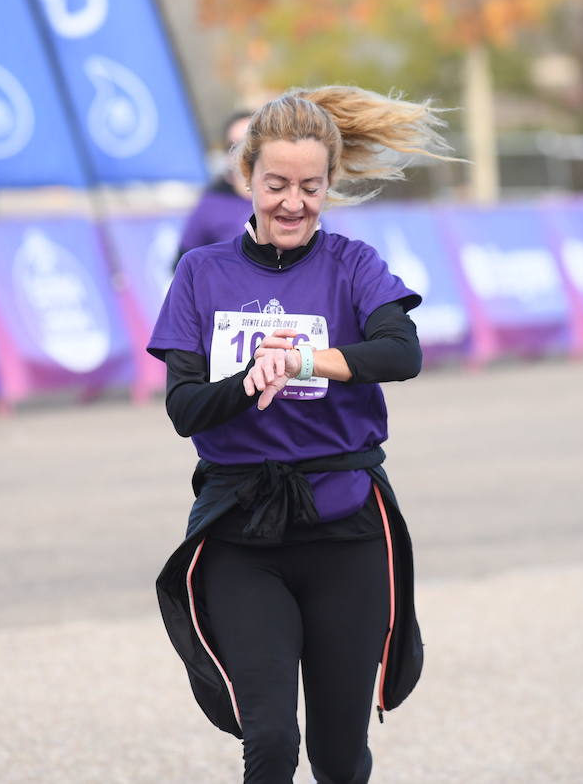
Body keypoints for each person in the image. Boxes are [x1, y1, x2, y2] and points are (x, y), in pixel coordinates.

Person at [148, 85, 449, 783]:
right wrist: (252, 377)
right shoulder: (202, 273)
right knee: (274, 742)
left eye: (311, 187)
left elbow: (401, 354)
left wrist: (309, 359)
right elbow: (185, 408)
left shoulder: (353, 265)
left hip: (346, 531)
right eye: (276, 183)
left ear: (330, 185)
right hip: (240, 534)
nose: (293, 202)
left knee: (339, 760)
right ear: (245, 176)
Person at [175, 110, 256, 263]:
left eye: (254, 143)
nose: (248, 152)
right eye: (238, 145)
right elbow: (182, 265)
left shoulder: (290, 197)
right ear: (228, 155)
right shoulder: (212, 204)